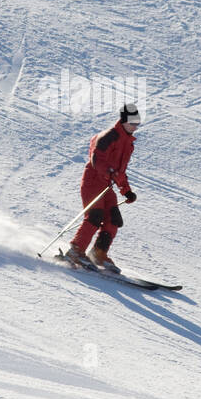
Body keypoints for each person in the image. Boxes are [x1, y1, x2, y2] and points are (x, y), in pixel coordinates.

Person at [66, 102, 140, 272]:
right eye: (133, 123)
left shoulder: (128, 144)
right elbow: (96, 159)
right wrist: (110, 172)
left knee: (114, 219)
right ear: (123, 121)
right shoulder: (108, 137)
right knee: (95, 215)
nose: (136, 127)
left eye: (138, 124)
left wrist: (126, 190)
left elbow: (120, 171)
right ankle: (75, 251)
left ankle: (98, 253)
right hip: (93, 180)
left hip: (106, 184)